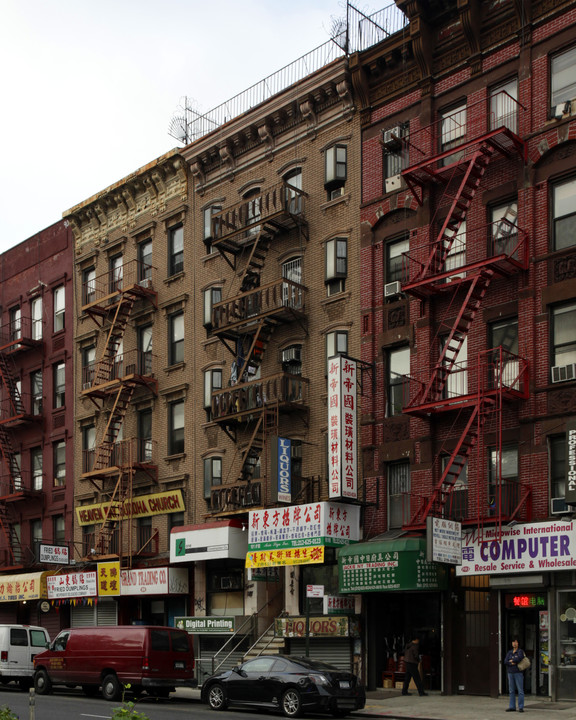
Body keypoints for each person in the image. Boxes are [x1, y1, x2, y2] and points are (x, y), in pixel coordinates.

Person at [504, 636, 526, 712]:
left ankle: (520, 707)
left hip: (518, 673)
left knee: (520, 690)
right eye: (513, 642)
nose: (514, 643)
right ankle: (512, 706)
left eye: (516, 642)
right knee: (511, 690)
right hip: (510, 672)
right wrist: (512, 662)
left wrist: (512, 660)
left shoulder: (520, 651)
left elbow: (519, 658)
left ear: (518, 643)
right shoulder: (509, 652)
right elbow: (505, 661)